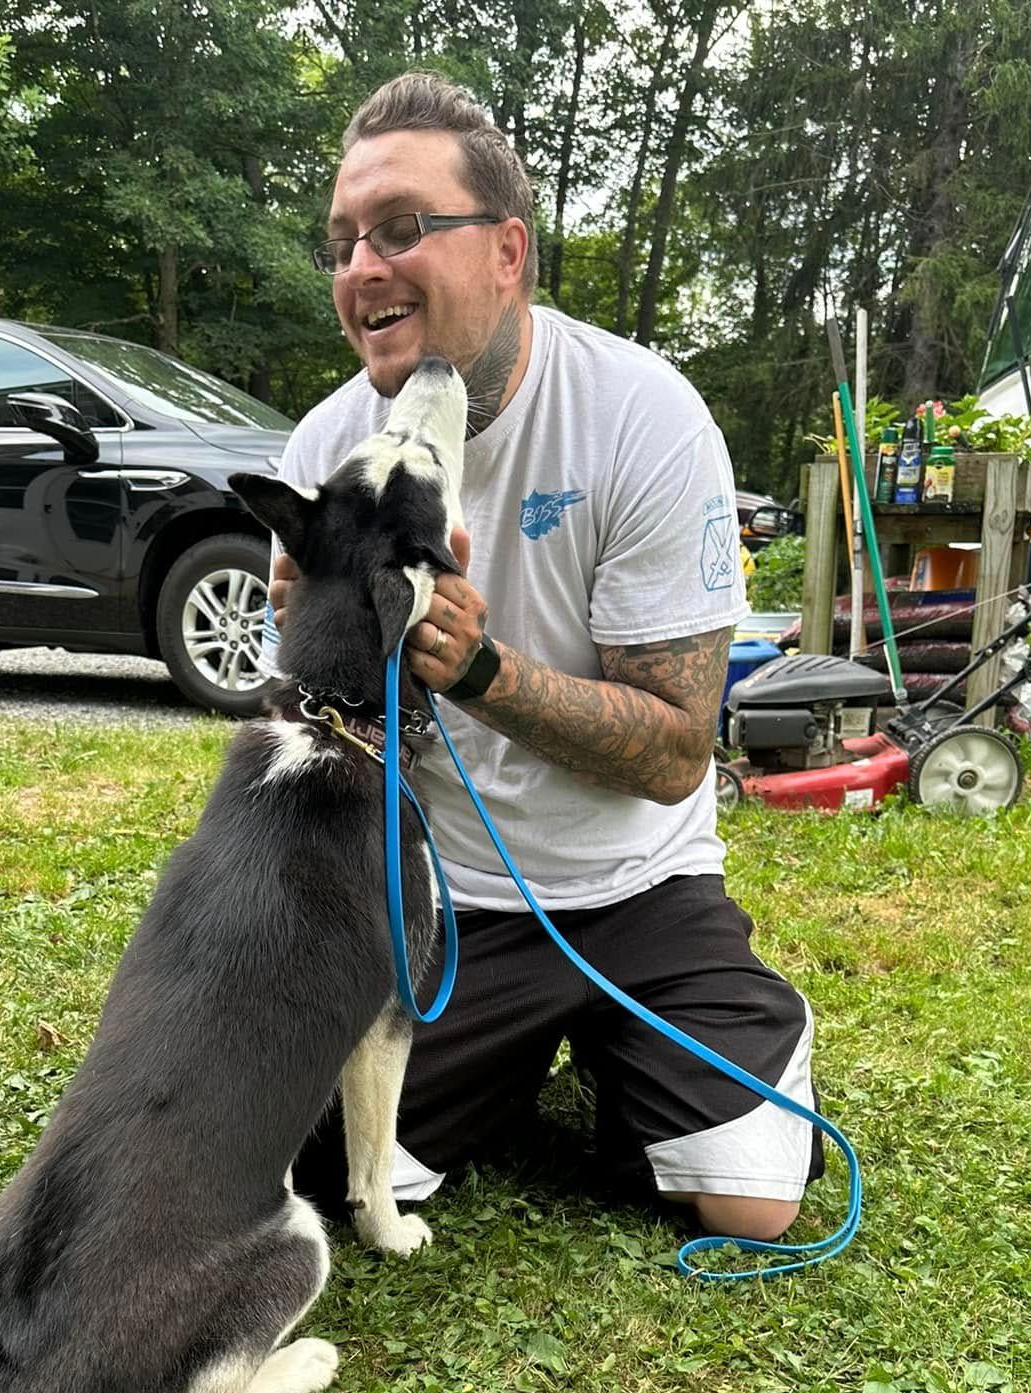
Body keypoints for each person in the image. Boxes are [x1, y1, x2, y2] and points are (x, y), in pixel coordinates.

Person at [267, 72, 820, 1243]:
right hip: (445, 901)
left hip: (639, 888)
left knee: (750, 1205)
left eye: (401, 228)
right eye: (344, 240)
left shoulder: (642, 418)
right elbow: (315, 736)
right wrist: (310, 662)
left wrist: (478, 670)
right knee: (313, 1167)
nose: (362, 267)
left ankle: (681, 1041)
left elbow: (674, 754)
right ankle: (509, 1062)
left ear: (507, 252)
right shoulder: (327, 446)